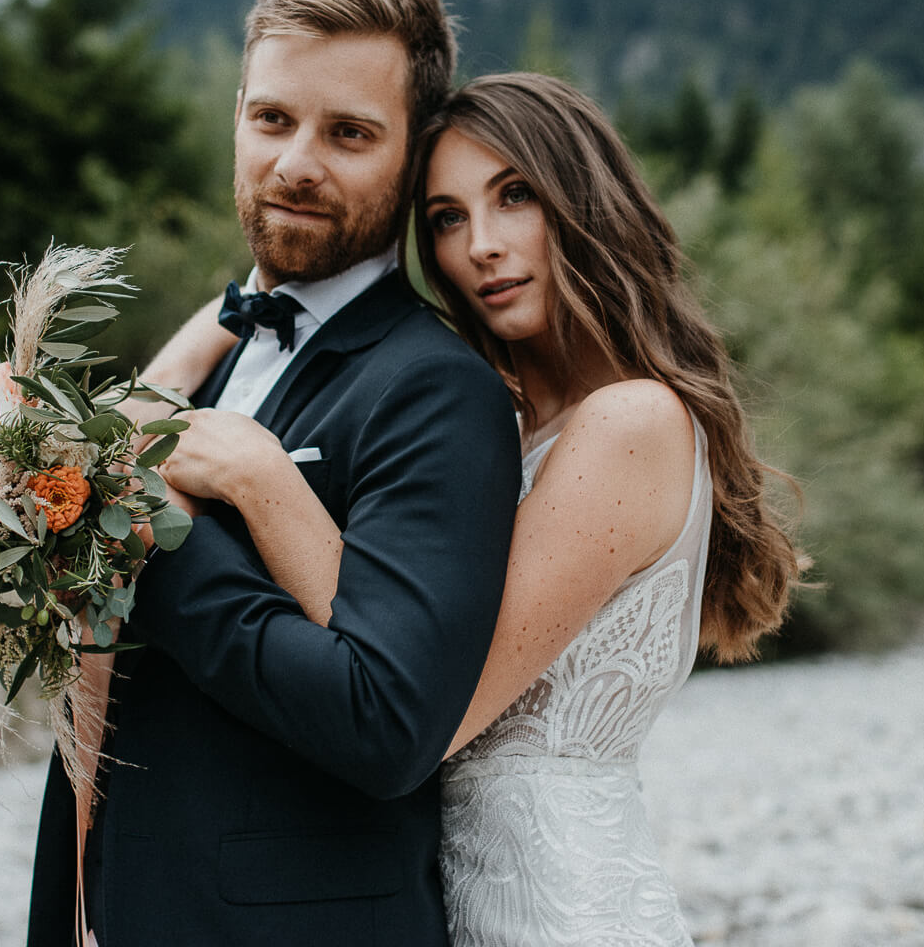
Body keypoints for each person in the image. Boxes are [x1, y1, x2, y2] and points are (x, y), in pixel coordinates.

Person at [158, 72, 803, 945]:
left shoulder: (631, 423)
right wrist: (203, 345)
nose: (482, 247)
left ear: (586, 202)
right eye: (446, 218)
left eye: (515, 197)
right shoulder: (503, 416)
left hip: (556, 914)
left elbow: (427, 706)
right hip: (447, 901)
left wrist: (263, 484)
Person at [25, 0, 523, 946]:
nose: (296, 162)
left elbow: (387, 727)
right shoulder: (211, 355)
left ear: (414, 154)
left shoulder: (437, 390)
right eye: (272, 119)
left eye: (349, 133)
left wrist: (151, 528)